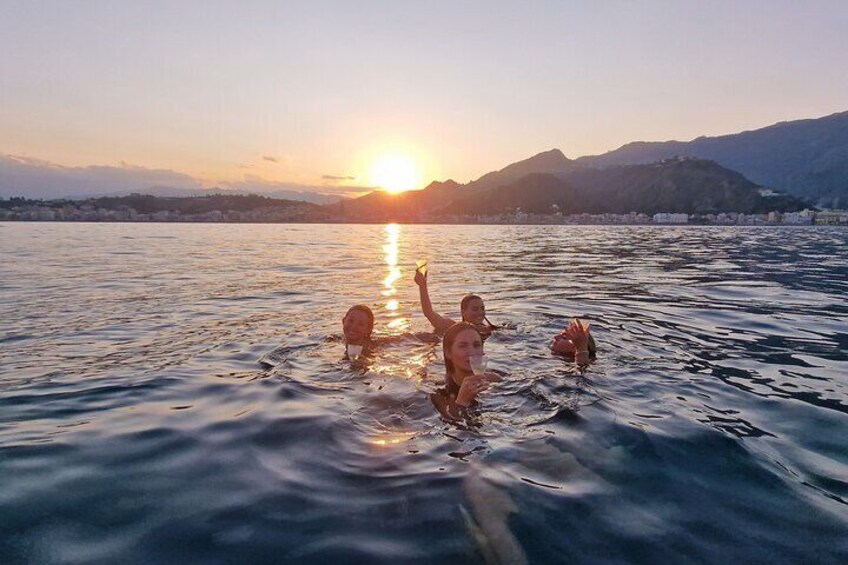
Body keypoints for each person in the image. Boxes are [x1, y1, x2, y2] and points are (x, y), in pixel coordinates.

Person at [430, 322, 501, 420]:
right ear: (448, 352)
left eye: (476, 345)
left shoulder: (494, 379)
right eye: (462, 346)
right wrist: (461, 403)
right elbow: (453, 429)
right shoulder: (439, 395)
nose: (471, 351)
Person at [414, 266, 496, 337]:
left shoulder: (491, 330)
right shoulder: (453, 327)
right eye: (475, 309)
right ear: (463, 312)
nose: (480, 312)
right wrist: (422, 286)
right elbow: (429, 313)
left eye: (482, 308)